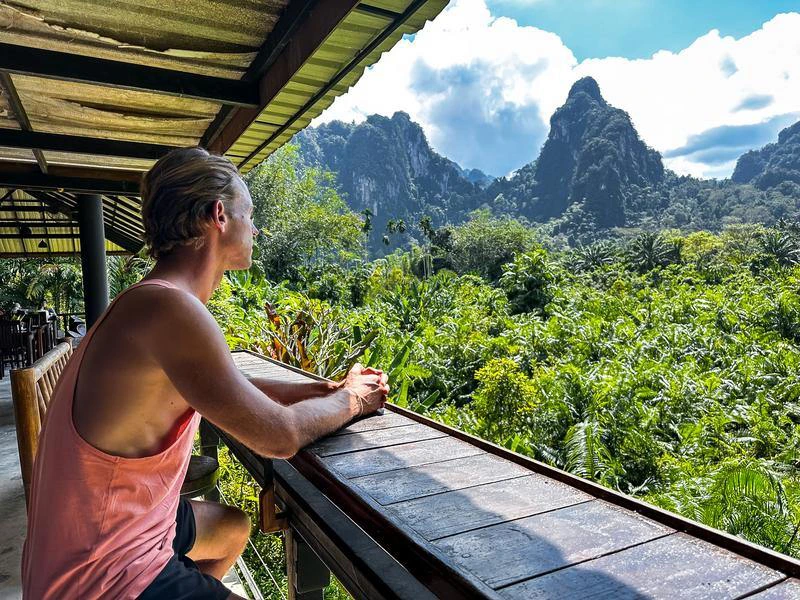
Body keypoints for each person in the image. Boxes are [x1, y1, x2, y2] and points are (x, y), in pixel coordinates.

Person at [22, 147, 389, 599]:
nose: (255, 229)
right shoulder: (169, 308)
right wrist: (354, 399)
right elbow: (280, 436)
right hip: (103, 575)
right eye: (249, 215)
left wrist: (317, 389)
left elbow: (226, 387)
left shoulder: (150, 299)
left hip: (111, 530)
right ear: (219, 215)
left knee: (231, 526)